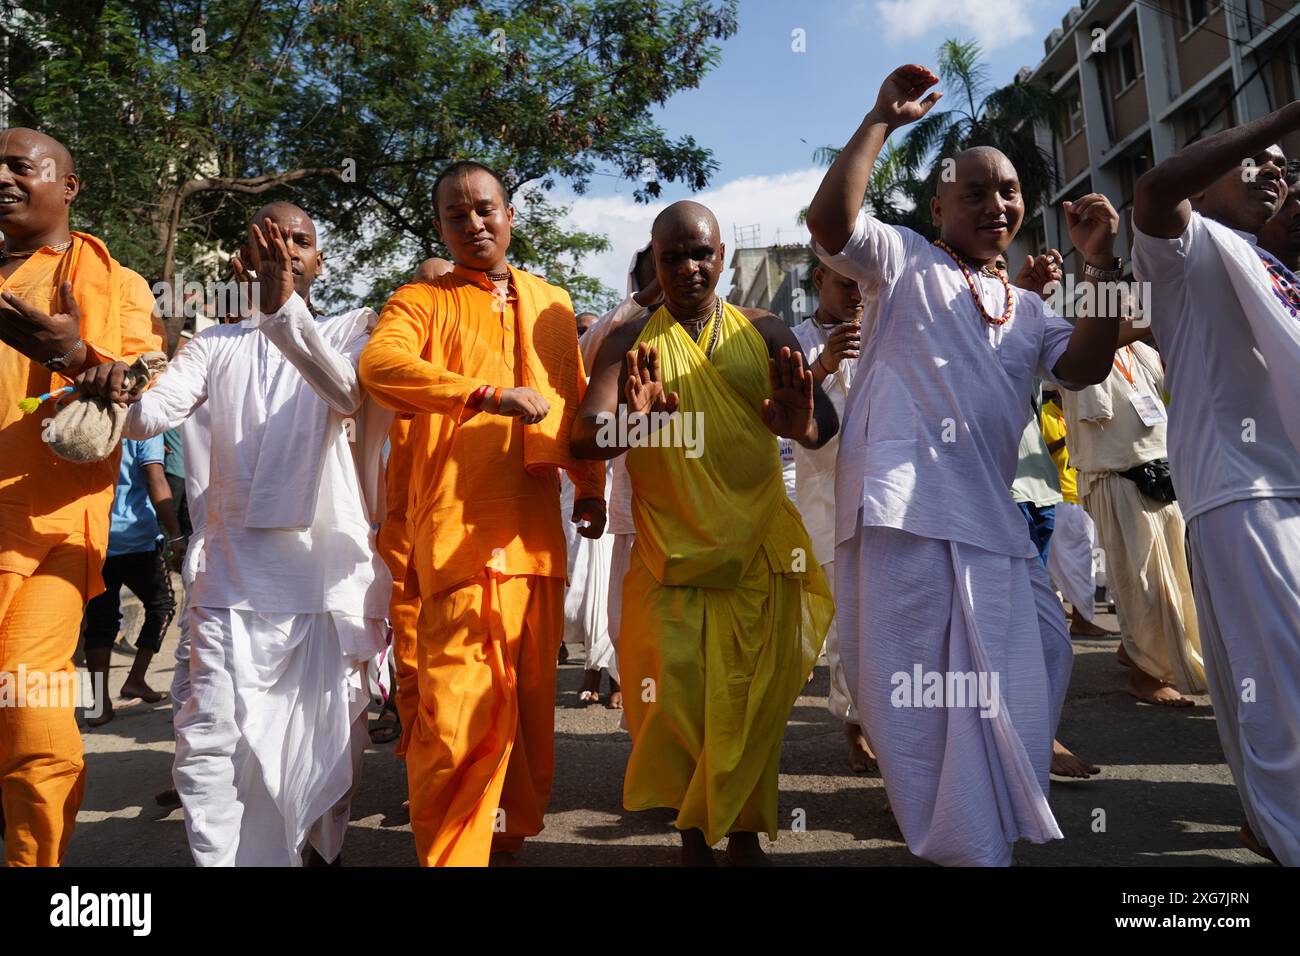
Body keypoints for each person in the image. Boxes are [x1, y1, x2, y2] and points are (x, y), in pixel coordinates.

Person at [805, 64, 1122, 866]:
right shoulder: (905, 260)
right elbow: (832, 223)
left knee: (1040, 659)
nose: (996, 205)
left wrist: (1105, 269)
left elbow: (1083, 367)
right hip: (901, 506)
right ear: (938, 208)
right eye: (973, 194)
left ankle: (977, 823)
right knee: (915, 694)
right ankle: (965, 843)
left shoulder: (1031, 308)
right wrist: (880, 117)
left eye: (1008, 192)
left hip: (989, 518)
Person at [77, 201, 392, 866]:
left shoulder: (353, 330)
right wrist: (96, 373)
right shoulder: (211, 347)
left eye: (299, 241)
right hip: (232, 579)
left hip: (324, 583)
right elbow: (146, 418)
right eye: (267, 243)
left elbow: (344, 394)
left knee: (325, 747)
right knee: (211, 743)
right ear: (242, 261)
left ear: (320, 259)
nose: (284, 253)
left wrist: (282, 315)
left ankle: (312, 855)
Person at [572, 199, 837, 866]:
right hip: (671, 558)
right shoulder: (629, 342)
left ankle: (743, 836)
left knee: (750, 702)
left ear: (722, 257)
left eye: (702, 255)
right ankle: (692, 835)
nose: (689, 268)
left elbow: (821, 423)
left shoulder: (767, 327)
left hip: (759, 550)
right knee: (673, 703)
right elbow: (584, 435)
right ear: (655, 265)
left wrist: (797, 423)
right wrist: (630, 425)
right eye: (673, 257)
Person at [359, 161, 606, 866]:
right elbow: (380, 369)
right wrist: (486, 396)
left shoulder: (552, 304)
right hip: (455, 549)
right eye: (455, 215)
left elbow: (572, 395)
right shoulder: (420, 302)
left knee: (527, 731)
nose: (474, 224)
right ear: (439, 226)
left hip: (534, 550)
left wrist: (588, 488)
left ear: (510, 213)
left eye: (485, 209)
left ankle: (505, 852)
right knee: (458, 727)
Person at [1131, 105, 1300, 864]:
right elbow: (1158, 186)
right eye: (1254, 159)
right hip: (1244, 499)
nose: (1273, 170)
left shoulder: (1272, 266)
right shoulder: (1187, 247)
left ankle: (1269, 826)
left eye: (1284, 165)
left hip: (1287, 492)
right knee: (1287, 701)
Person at [0, 127, 162, 865]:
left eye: (19, 166)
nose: (1, 176)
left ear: (68, 187)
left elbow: (143, 384)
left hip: (49, 535)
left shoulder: (112, 281)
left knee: (31, 716)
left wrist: (70, 354)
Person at [1059, 343, 1204, 708]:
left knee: (1172, 579)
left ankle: (1132, 650)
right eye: (1115, 304)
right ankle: (1145, 676)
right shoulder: (1083, 351)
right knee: (1140, 582)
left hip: (1162, 478)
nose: (1127, 310)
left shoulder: (1144, 352)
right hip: (1118, 479)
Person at [791, 259, 876, 772]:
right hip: (826, 497)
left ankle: (892, 723)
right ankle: (853, 723)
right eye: (847, 283)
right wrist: (821, 366)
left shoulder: (887, 329)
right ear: (820, 279)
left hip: (888, 493)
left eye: (865, 285)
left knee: (886, 617)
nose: (858, 295)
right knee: (846, 621)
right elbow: (779, 409)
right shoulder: (793, 339)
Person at [372, 256, 454, 750]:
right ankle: (421, 756)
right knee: (410, 652)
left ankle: (447, 763)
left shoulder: (470, 372)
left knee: (454, 660)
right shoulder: (386, 365)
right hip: (399, 535)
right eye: (425, 288)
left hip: (461, 530)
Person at [577, 244, 662, 710]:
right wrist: (642, 303)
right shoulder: (621, 338)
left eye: (694, 259)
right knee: (635, 640)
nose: (681, 275)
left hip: (712, 523)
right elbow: (577, 362)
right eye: (663, 268)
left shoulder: (729, 332)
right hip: (635, 516)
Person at [81, 436, 184, 727]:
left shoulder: (89, 419)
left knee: (99, 620)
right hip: (138, 538)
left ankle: (98, 705)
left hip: (95, 537)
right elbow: (155, 479)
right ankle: (136, 679)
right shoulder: (142, 427)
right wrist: (175, 533)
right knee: (162, 605)